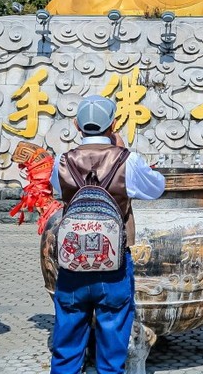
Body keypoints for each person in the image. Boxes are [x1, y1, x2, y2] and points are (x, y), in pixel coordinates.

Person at [51, 95, 165, 374]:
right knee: (112, 353)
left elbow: (57, 192)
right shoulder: (128, 160)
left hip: (72, 263)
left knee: (66, 345)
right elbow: (157, 188)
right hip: (113, 263)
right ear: (113, 125)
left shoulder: (62, 161)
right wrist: (123, 153)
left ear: (77, 125)